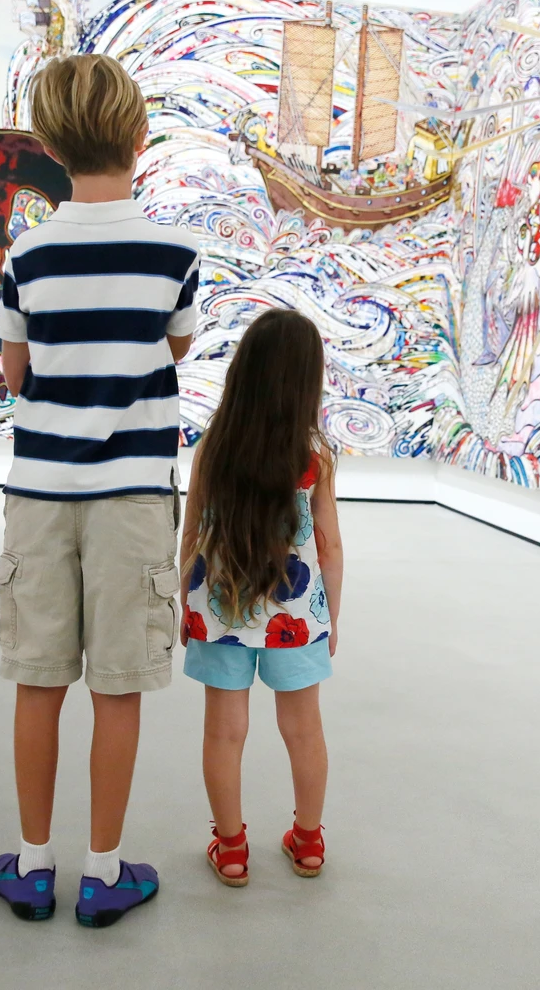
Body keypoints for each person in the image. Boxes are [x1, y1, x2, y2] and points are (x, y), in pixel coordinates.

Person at [0, 53, 200, 928]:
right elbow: (175, 350)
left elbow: (13, 372)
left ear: (46, 145)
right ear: (140, 136)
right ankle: (104, 871)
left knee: (39, 682)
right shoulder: (174, 252)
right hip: (134, 498)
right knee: (118, 686)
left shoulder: (28, 254)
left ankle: (33, 865)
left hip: (40, 493)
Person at [178, 308, 343, 886]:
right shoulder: (313, 459)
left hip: (220, 611)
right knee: (304, 729)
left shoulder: (213, 448)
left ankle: (230, 847)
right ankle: (308, 841)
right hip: (296, 617)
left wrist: (185, 598)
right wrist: (332, 618)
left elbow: (192, 532)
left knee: (224, 730)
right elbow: (330, 548)